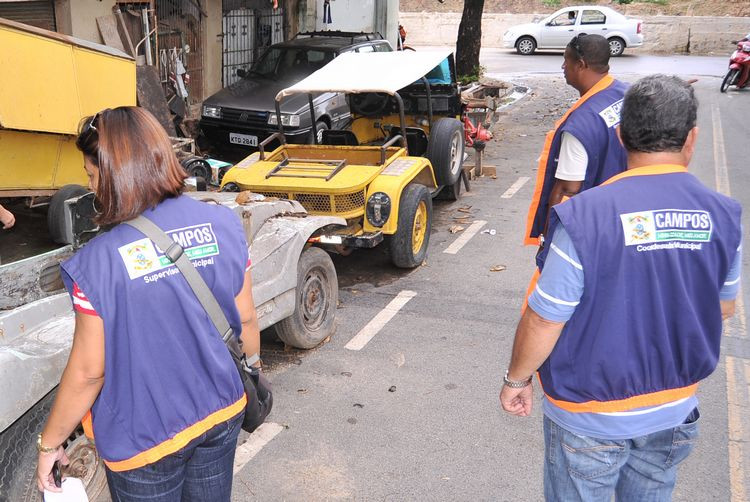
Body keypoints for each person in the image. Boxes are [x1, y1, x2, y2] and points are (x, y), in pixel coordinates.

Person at [500, 75, 742, 501]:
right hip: (674, 410)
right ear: (692, 138)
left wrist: (516, 379)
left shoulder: (584, 217)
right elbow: (723, 308)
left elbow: (544, 317)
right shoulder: (723, 214)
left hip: (589, 415)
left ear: (620, 135)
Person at [35, 107, 261, 501]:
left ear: (112, 174)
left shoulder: (98, 263)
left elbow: (89, 372)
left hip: (146, 439)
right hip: (223, 409)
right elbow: (246, 319)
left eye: (91, 175)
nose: (91, 186)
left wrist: (49, 443)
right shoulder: (224, 224)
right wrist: (252, 372)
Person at [522, 33, 629, 307]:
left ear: (581, 64)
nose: (562, 68)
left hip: (588, 231)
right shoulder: (623, 94)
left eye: (565, 60)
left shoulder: (581, 125)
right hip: (620, 216)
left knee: (546, 306)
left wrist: (548, 237)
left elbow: (569, 188)